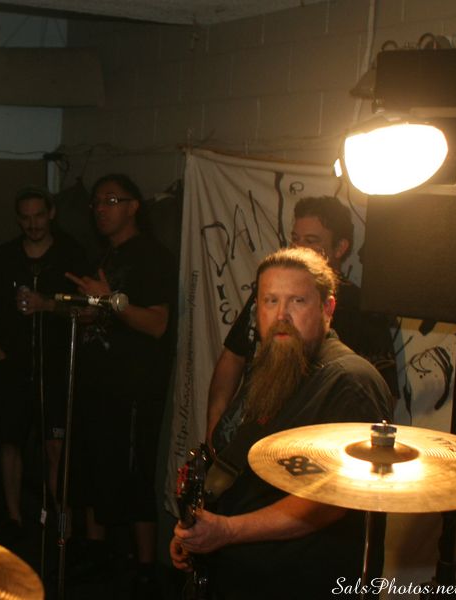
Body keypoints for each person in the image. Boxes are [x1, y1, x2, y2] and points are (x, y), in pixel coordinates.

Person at [171, 247, 392, 599]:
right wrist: (197, 529)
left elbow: (330, 502)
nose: (281, 315)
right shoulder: (275, 364)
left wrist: (227, 530)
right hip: (237, 573)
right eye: (270, 301)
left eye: (297, 301)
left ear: (327, 309)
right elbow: (235, 467)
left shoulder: (350, 381)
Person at [205, 195, 398, 447]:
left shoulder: (362, 312)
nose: (281, 314)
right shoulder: (265, 295)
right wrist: (215, 427)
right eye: (295, 239)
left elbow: (377, 396)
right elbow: (233, 357)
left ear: (327, 309)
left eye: (311, 241)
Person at [66, 174, 176, 593]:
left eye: (111, 200)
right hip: (96, 379)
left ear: (134, 206)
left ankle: (147, 567)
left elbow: (157, 323)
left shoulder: (152, 256)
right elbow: (105, 311)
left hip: (134, 386)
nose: (101, 209)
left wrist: (109, 301)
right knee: (92, 465)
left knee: (133, 472)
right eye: (97, 202)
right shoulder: (103, 255)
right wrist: (88, 312)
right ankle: (98, 553)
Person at [0, 186, 88, 537]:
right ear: (18, 219)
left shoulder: (71, 254)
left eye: (39, 216)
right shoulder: (3, 257)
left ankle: (63, 523)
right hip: (13, 366)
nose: (33, 224)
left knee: (56, 446)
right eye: (26, 218)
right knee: (10, 441)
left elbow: (88, 308)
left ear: (51, 214)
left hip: (57, 365)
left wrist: (47, 304)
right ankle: (14, 518)